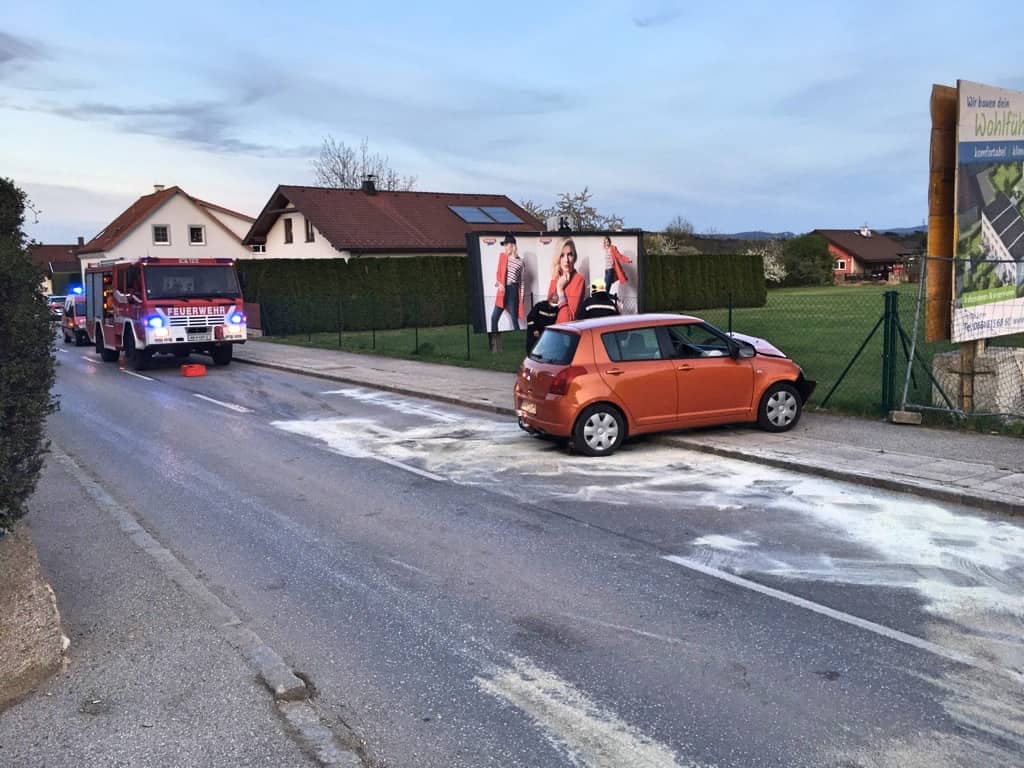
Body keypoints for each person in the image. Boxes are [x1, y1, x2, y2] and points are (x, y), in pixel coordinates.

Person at [491, 234, 525, 332]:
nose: (505, 247)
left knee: (514, 319)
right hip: (502, 291)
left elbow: (521, 282)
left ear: (513, 245)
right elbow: (498, 274)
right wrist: (500, 284)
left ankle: (520, 342)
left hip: (513, 291)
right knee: (494, 318)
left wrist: (521, 298)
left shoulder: (521, 262)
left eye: (507, 244)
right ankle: (495, 341)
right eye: (504, 245)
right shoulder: (503, 257)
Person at [547, 238, 585, 323]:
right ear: (558, 258)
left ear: (574, 257)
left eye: (570, 255)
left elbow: (567, 320)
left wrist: (560, 290)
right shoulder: (555, 278)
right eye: (562, 255)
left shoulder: (578, 280)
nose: (566, 260)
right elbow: (548, 313)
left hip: (567, 333)